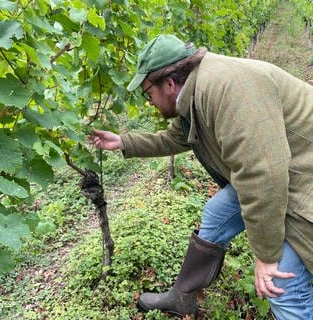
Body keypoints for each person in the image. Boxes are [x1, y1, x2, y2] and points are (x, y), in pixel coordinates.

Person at [89, 34, 313, 319]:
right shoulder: (198, 90)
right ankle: (182, 296)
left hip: (302, 179)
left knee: (279, 284)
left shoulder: (229, 90)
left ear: (169, 83)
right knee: (217, 212)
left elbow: (263, 176)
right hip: (286, 169)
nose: (149, 103)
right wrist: (123, 142)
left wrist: (267, 258)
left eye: (148, 93)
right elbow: (178, 138)